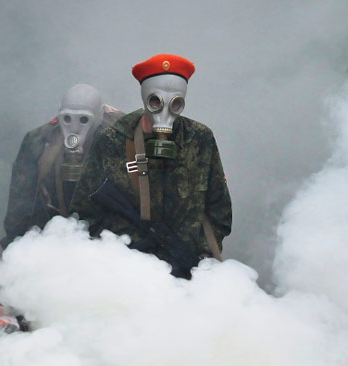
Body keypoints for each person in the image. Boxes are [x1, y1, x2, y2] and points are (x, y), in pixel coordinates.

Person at [71, 54, 232, 278]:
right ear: (145, 98)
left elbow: (218, 209)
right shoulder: (113, 141)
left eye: (175, 103)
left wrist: (206, 256)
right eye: (155, 101)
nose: (164, 109)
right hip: (124, 273)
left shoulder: (200, 139)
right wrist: (110, 252)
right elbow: (84, 210)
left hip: (185, 270)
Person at [1, 84, 122, 249]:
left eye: (84, 119)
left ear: (98, 117)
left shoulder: (116, 143)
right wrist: (15, 247)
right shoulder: (39, 142)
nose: (75, 128)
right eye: (67, 118)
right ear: (59, 114)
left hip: (103, 244)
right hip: (48, 241)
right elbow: (20, 202)